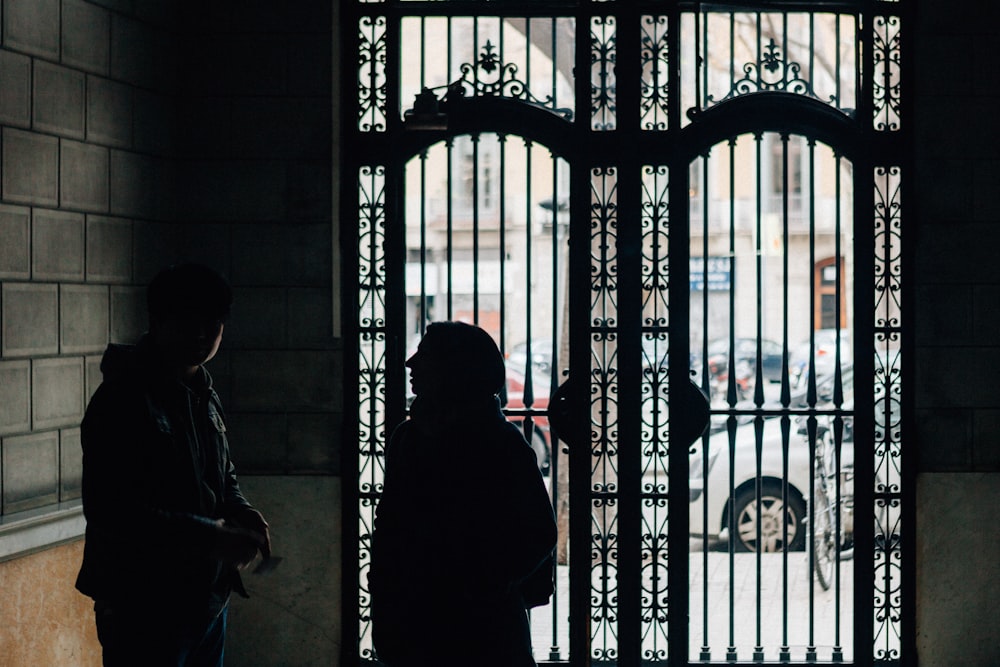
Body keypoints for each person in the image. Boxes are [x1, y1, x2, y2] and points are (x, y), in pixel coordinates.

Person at [76, 262, 271, 667]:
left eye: (212, 321)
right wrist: (209, 536)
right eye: (187, 319)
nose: (201, 333)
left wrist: (240, 510)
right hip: (141, 603)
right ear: (158, 320)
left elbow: (222, 476)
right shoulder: (123, 399)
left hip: (207, 598)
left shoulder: (203, 393)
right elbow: (112, 509)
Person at [369, 321, 558, 667]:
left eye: (424, 355)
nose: (411, 363)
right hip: (416, 622)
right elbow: (389, 527)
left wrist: (484, 586)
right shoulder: (408, 438)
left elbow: (539, 532)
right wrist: (383, 595)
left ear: (455, 369)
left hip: (482, 631)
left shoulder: (501, 444)